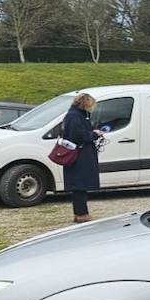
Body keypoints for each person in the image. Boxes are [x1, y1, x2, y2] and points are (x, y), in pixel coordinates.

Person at [60, 92, 102, 223]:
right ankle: (81, 213)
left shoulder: (74, 115)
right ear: (85, 104)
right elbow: (79, 136)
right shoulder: (75, 117)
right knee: (79, 185)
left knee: (79, 185)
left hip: (79, 154)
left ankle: (80, 212)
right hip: (79, 156)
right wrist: (94, 134)